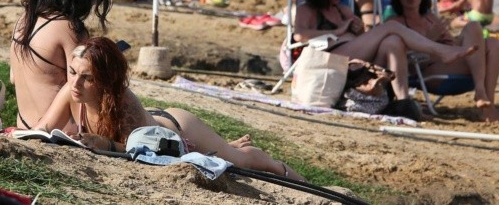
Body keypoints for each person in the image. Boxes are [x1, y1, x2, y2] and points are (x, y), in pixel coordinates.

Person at [35, 36, 306, 181]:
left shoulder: (122, 102)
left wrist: (103, 142)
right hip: (155, 125)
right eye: (72, 72)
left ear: (106, 82)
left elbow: (140, 148)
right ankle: (223, 146)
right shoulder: (71, 90)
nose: (75, 83)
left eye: (88, 77)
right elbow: (43, 129)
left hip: (176, 131)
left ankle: (278, 167)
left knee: (241, 161)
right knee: (220, 153)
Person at [294, 0, 477, 109]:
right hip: (331, 59)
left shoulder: (342, 10)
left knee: (393, 41)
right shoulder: (307, 10)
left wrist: (359, 30)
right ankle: (440, 50)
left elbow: (363, 39)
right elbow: (299, 36)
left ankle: (403, 101)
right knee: (390, 26)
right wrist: (338, 30)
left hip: (355, 63)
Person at [10, 0, 113, 131]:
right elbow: (83, 88)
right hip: (58, 130)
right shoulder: (69, 29)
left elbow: (13, 77)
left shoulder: (25, 19)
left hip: (24, 124)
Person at [388, 0, 499, 123]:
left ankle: (486, 103)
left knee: (488, 39)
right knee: (485, 47)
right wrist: (431, 38)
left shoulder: (430, 18)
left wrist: (448, 40)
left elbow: (451, 46)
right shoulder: (395, 23)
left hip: (452, 62)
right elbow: (402, 62)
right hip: (427, 71)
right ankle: (483, 97)